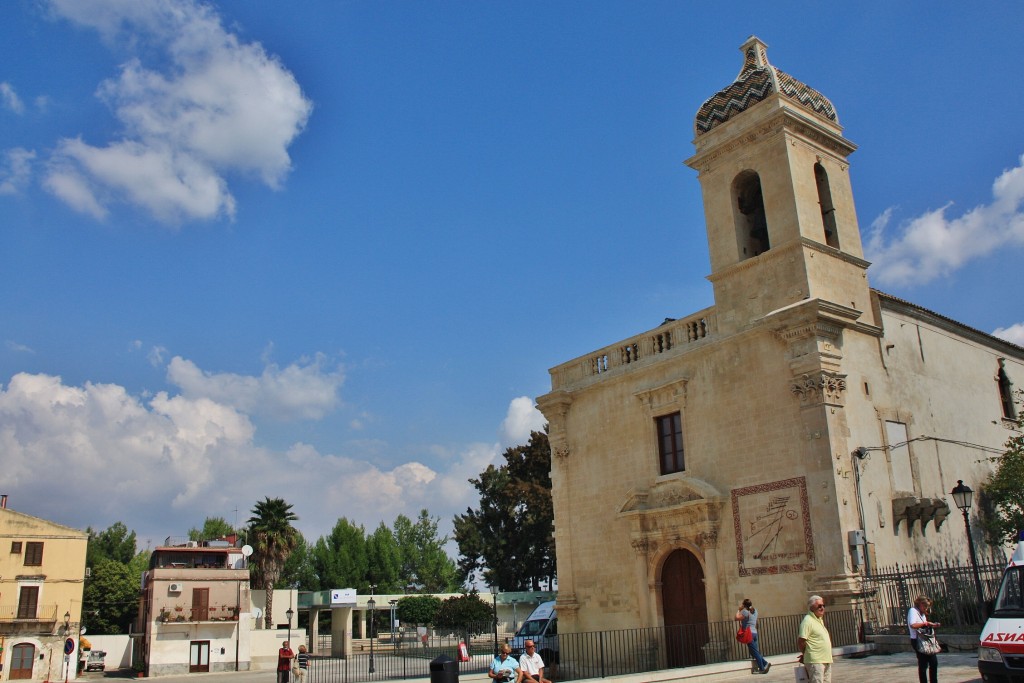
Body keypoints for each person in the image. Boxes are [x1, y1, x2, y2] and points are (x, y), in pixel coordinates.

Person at [797, 595, 833, 683]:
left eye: (823, 605)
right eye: (819, 606)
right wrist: (806, 654)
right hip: (816, 661)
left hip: (826, 659)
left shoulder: (819, 620)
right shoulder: (807, 621)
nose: (822, 608)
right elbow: (801, 641)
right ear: (811, 607)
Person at [908, 595, 940, 683]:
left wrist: (932, 625)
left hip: (926, 640)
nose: (926, 608)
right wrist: (925, 624)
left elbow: (924, 625)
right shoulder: (913, 611)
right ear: (920, 604)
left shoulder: (922, 614)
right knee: (923, 664)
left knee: (934, 662)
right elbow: (913, 625)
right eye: (925, 606)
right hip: (918, 640)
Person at [736, 598, 770, 674]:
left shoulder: (745, 612)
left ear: (744, 605)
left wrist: (738, 610)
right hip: (754, 632)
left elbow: (736, 618)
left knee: (754, 652)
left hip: (749, 633)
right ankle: (765, 663)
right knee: (753, 651)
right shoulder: (755, 611)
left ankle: (762, 668)